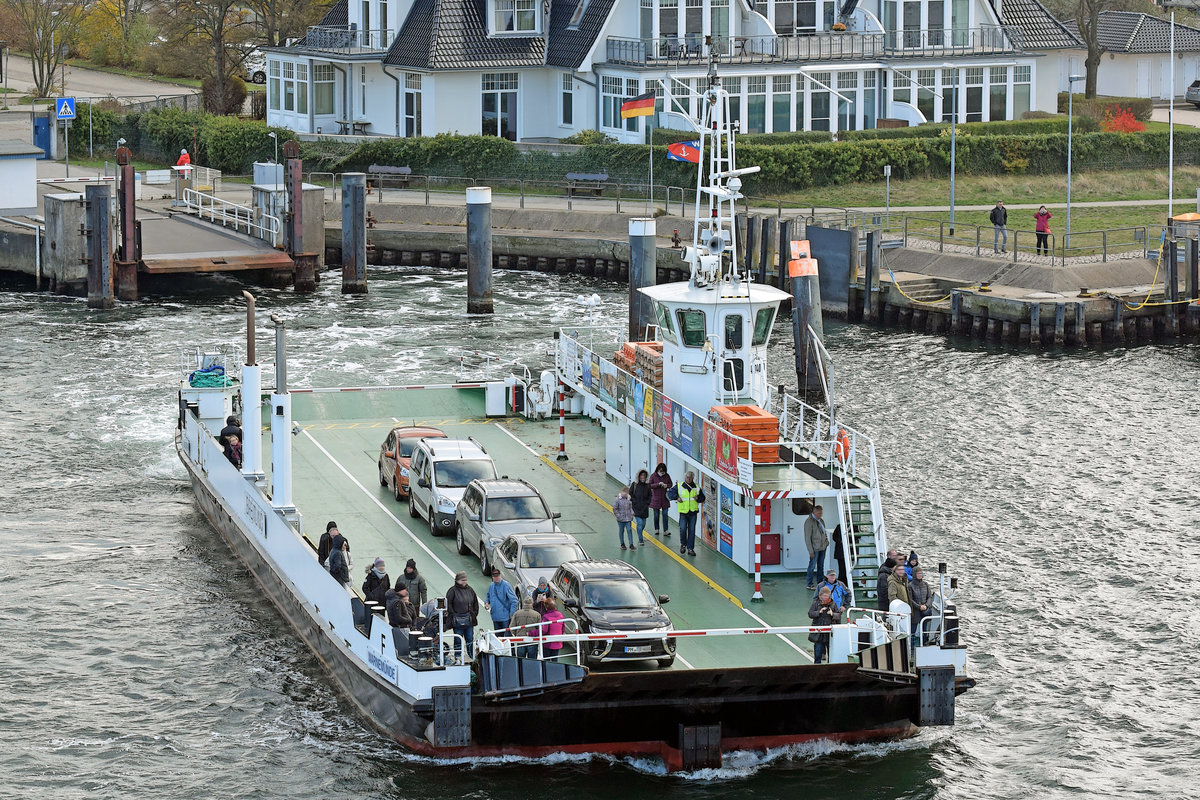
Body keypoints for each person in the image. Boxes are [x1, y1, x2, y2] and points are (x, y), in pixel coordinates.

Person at [445, 571, 479, 659]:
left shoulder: (470, 590)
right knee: (457, 639)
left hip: (469, 619)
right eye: (462, 580)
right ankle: (458, 656)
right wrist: (453, 615)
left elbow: (475, 602)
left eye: (465, 580)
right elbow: (448, 604)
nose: (464, 582)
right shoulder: (452, 591)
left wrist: (474, 614)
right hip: (457, 619)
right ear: (457, 580)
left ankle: (471, 655)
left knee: (469, 639)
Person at [808, 585, 840, 664]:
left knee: (832, 654)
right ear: (820, 596)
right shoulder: (815, 604)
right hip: (819, 634)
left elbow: (838, 615)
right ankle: (817, 668)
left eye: (827, 595)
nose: (826, 597)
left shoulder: (833, 604)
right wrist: (818, 612)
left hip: (829, 633)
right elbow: (810, 614)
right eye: (824, 595)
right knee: (818, 654)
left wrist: (833, 614)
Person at [676, 471, 703, 556]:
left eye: (690, 477)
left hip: (693, 512)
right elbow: (670, 494)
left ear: (693, 478)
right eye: (687, 477)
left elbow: (702, 498)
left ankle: (690, 548)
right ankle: (683, 544)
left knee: (692, 530)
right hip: (683, 512)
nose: (689, 479)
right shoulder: (679, 486)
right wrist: (676, 497)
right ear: (685, 478)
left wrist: (698, 498)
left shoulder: (697, 487)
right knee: (683, 529)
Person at [804, 505, 829, 590]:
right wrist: (811, 551)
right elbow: (807, 538)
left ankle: (820, 582)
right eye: (818, 513)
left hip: (822, 547)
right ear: (814, 512)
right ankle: (809, 584)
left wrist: (826, 542)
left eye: (821, 513)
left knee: (820, 565)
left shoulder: (821, 521)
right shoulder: (809, 522)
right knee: (812, 566)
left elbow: (824, 532)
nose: (820, 515)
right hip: (815, 548)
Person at [908, 566, 932, 644]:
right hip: (915, 612)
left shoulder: (926, 584)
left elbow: (929, 597)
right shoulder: (910, 585)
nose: (920, 575)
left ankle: (925, 644)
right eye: (918, 573)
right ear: (914, 574)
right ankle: (911, 646)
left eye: (921, 573)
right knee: (913, 631)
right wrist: (919, 607)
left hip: (925, 611)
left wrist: (926, 605)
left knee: (924, 630)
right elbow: (910, 599)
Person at [648, 462, 673, 536]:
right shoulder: (653, 476)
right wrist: (658, 484)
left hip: (665, 499)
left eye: (663, 471)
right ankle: (657, 529)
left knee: (665, 514)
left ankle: (666, 530)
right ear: (658, 470)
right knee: (656, 515)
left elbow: (670, 484)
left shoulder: (667, 476)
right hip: (656, 498)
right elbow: (650, 485)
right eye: (660, 471)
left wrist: (666, 485)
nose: (662, 473)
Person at [629, 469, 652, 545]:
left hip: (644, 508)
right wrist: (634, 501)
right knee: (639, 523)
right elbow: (630, 494)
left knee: (643, 524)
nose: (643, 477)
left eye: (644, 476)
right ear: (638, 477)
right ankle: (641, 539)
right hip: (636, 508)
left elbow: (650, 495)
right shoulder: (634, 485)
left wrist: (648, 503)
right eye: (641, 476)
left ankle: (639, 532)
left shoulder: (647, 486)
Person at [613, 486, 636, 550]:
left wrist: (632, 513)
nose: (625, 494)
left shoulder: (628, 499)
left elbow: (630, 507)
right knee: (621, 530)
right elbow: (615, 508)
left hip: (628, 518)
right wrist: (618, 516)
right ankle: (622, 544)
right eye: (624, 493)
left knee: (629, 530)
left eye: (626, 493)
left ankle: (631, 544)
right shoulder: (617, 499)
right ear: (621, 492)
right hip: (621, 519)